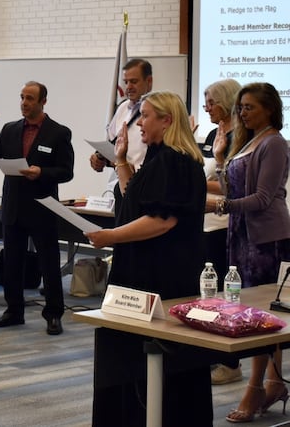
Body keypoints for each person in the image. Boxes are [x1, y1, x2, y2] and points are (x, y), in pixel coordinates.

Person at [85, 90, 208, 426]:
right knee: (127, 357)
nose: (139, 122)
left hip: (159, 276)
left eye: (147, 115)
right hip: (141, 272)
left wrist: (109, 236)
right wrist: (121, 160)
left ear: (167, 120)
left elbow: (161, 220)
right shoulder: (158, 158)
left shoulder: (175, 161)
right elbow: (134, 200)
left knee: (151, 360)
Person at [208, 82, 290, 423]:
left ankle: (257, 387)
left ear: (269, 109)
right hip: (241, 233)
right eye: (240, 107)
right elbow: (231, 184)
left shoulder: (274, 143)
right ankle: (273, 383)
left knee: (260, 317)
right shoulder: (247, 141)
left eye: (250, 107)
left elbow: (263, 197)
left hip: (265, 237)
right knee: (247, 310)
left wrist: (222, 204)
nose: (242, 113)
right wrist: (217, 159)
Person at [0, 81, 74, 335]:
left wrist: (42, 172)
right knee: (13, 262)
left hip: (42, 207)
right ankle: (13, 311)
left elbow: (66, 172)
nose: (24, 102)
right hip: (14, 206)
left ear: (43, 102)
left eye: (30, 98)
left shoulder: (58, 133)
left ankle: (53, 314)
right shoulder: (9, 130)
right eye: (22, 97)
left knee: (49, 263)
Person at [199, 79, 244, 386]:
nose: (206, 107)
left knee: (228, 295)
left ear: (227, 102)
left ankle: (230, 362)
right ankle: (212, 354)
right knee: (207, 292)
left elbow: (233, 183)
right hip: (206, 221)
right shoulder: (214, 133)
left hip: (228, 223)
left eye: (211, 102)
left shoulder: (243, 135)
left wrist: (195, 185)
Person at [89, 58, 153, 195]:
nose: (128, 87)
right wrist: (100, 159)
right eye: (126, 82)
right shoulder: (122, 108)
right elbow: (112, 145)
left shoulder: (159, 112)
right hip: (115, 187)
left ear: (149, 81)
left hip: (142, 187)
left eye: (134, 81)